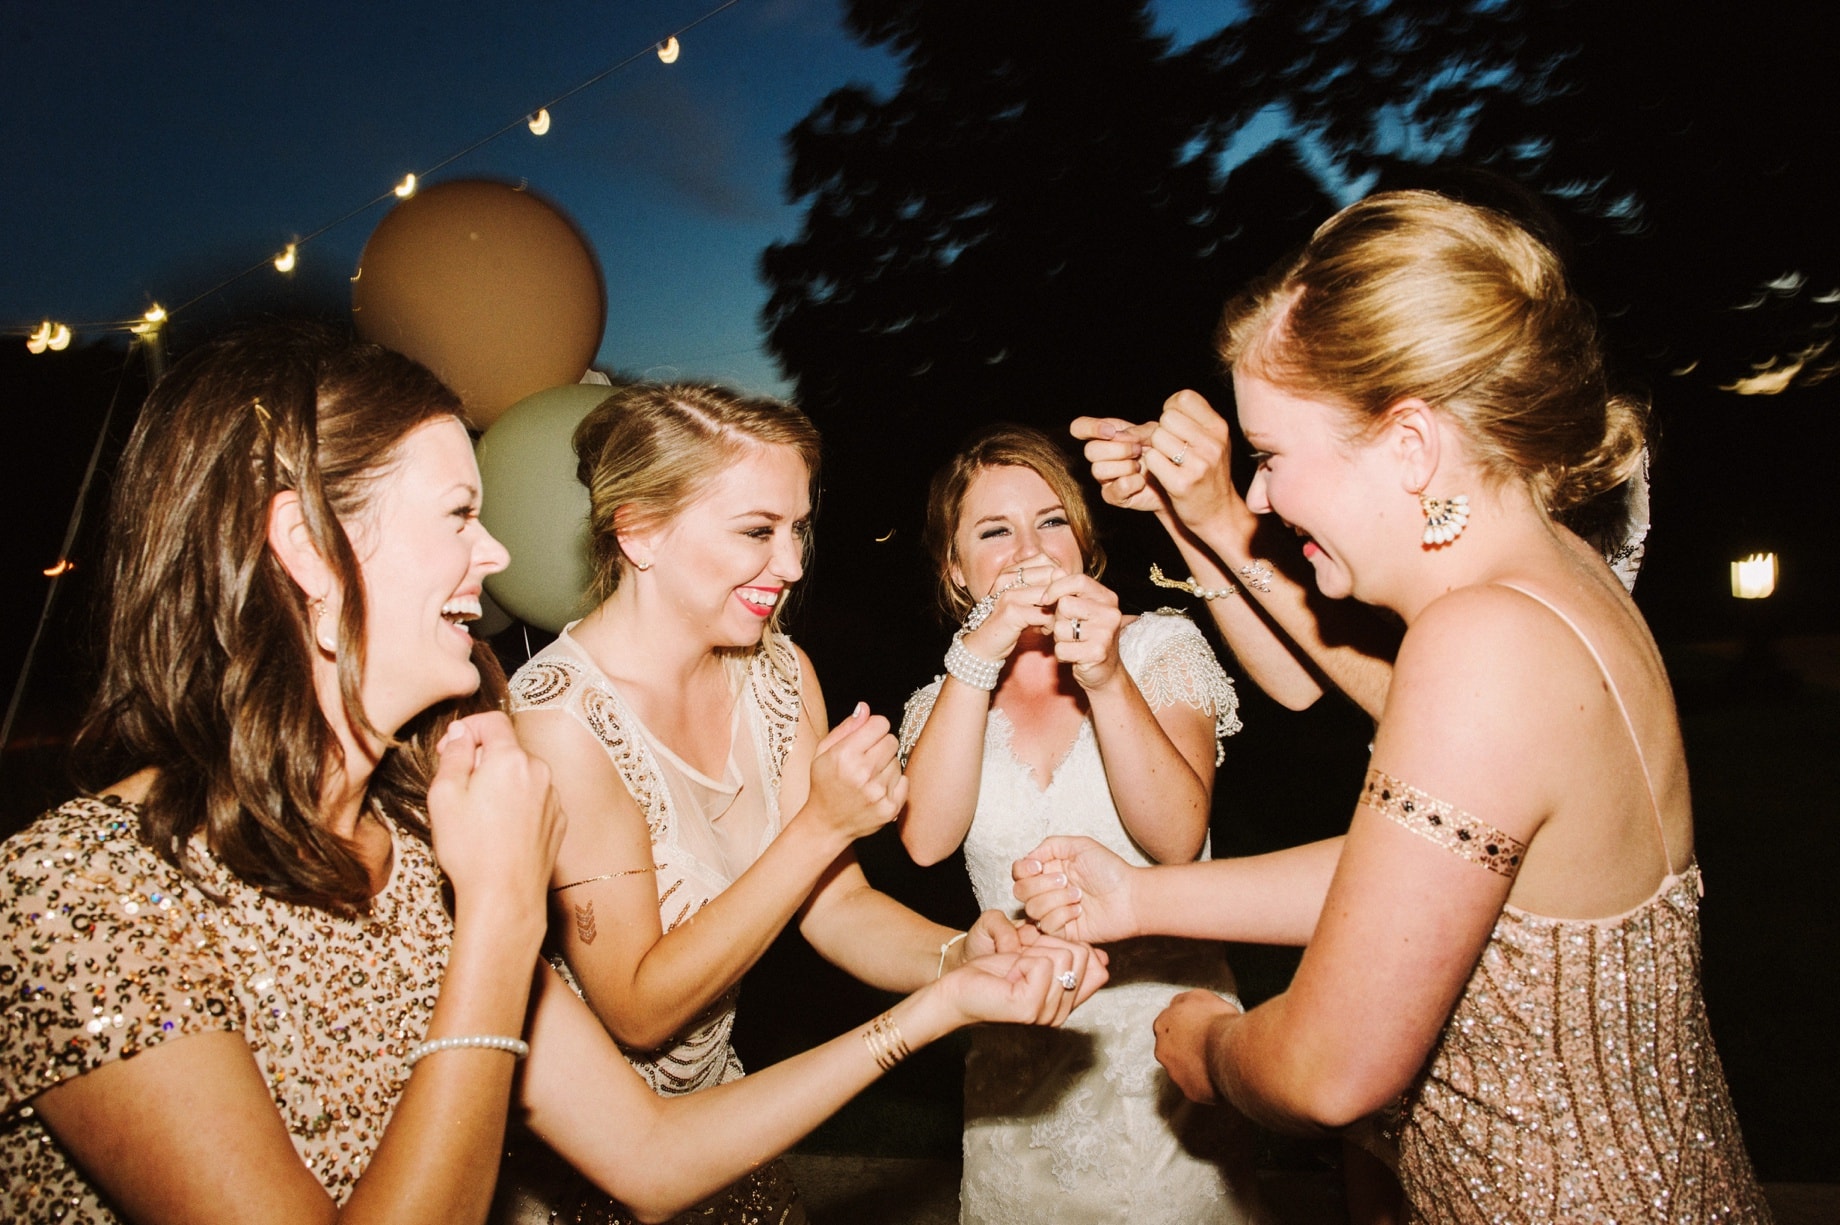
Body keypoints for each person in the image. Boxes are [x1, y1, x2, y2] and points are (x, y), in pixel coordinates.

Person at [0, 322, 1104, 1225]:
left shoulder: (433, 827)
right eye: (458, 517)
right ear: (302, 546)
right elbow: (628, 1032)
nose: (493, 557)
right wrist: (496, 912)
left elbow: (652, 1152)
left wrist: (949, 992)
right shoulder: (76, 894)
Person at [1015, 190, 1773, 1223]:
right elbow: (1425, 882)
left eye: (1274, 456)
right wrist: (1139, 900)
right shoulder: (1562, 581)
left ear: (1411, 445)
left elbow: (1330, 1070)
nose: (1266, 497)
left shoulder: (1480, 646)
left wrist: (1208, 1045)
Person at [502, 384, 1079, 1221]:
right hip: (585, 1170)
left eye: (797, 527)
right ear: (640, 530)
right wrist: (818, 827)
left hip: (722, 1118)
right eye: (757, 531)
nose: (794, 564)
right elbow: (637, 1006)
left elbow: (835, 905)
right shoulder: (559, 719)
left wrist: (960, 956)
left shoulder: (779, 672)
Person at [895, 424, 1270, 1225]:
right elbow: (926, 840)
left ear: (1084, 539)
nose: (1031, 547)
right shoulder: (941, 705)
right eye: (995, 531)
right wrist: (979, 653)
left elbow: (1175, 839)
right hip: (1016, 1067)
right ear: (955, 569)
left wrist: (1101, 675)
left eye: (1052, 520)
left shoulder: (1160, 648)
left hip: (1165, 1056)